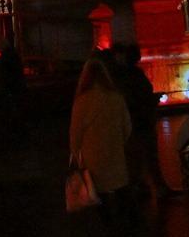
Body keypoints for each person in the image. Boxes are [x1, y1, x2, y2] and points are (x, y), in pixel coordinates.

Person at [68, 55, 133, 221]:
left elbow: (75, 134)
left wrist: (76, 154)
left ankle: (107, 228)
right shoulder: (116, 98)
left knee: (98, 194)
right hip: (115, 154)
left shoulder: (82, 102)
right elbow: (127, 127)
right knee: (121, 192)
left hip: (93, 157)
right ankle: (127, 230)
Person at [111, 44, 180, 196]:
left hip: (139, 119)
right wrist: (151, 99)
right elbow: (136, 97)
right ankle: (147, 186)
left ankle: (144, 186)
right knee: (143, 155)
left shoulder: (126, 75)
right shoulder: (129, 75)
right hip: (138, 120)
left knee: (143, 155)